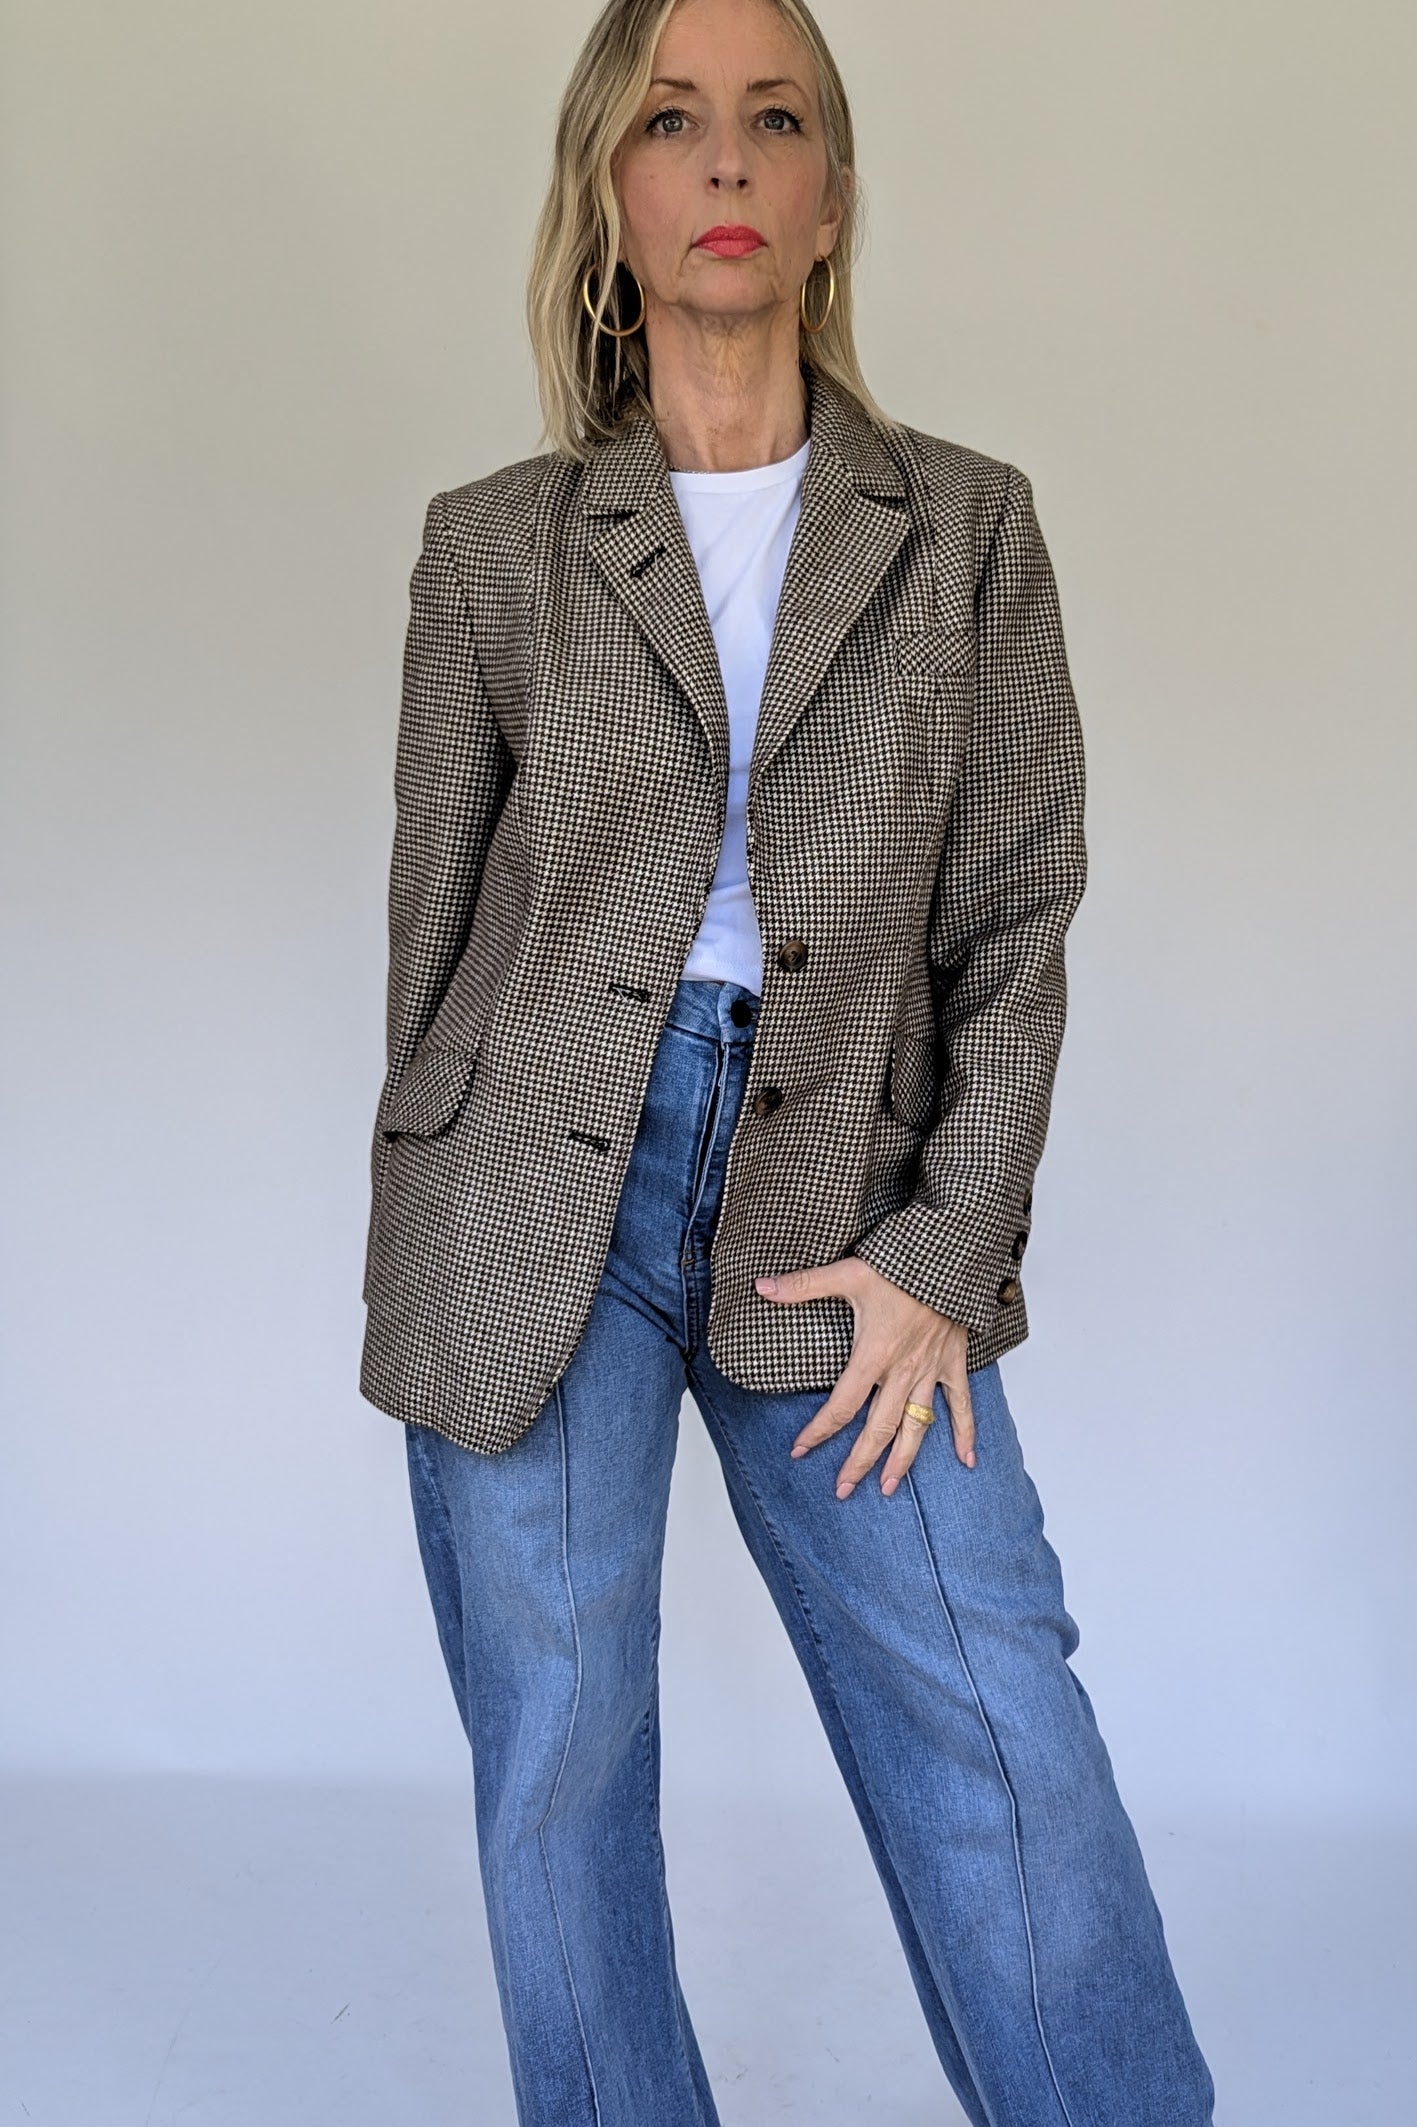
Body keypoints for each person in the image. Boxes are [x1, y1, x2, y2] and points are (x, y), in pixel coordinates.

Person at [358, 0, 1217, 2120]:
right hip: (527, 1201)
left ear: (829, 201)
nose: (725, 160)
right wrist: (430, 1249)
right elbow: (434, 939)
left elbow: (1015, 918)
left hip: (839, 1205)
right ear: (611, 200)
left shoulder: (969, 527)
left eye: (776, 121)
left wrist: (944, 1250)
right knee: (556, 1752)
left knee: (994, 1713)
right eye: (673, 122)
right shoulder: (493, 545)